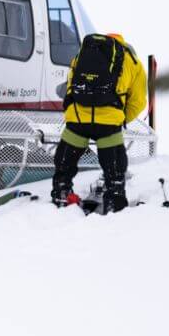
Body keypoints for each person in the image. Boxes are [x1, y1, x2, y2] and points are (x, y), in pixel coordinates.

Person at [51, 32, 148, 212]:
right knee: (114, 170)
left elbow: (70, 86)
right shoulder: (133, 61)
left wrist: (75, 112)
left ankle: (62, 194)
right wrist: (120, 118)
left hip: (77, 120)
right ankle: (114, 202)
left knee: (65, 163)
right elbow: (139, 101)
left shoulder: (83, 54)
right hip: (109, 124)